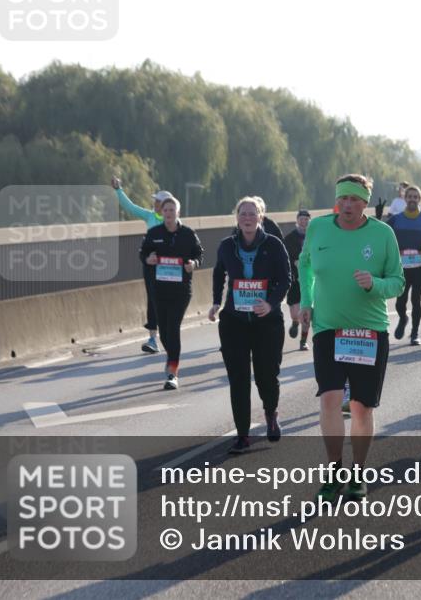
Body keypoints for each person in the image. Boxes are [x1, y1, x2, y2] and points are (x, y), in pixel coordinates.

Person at [299, 174, 405, 500]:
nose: (347, 205)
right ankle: (334, 472)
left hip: (368, 332)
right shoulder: (318, 228)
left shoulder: (382, 234)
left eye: (354, 200)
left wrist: (375, 284)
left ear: (365, 203)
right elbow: (304, 264)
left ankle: (358, 472)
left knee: (361, 408)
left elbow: (398, 282)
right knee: (330, 400)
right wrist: (306, 300)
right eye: (343, 198)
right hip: (328, 329)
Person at [210, 197, 291, 454]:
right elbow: (218, 273)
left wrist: (270, 303)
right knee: (238, 379)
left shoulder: (274, 244)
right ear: (237, 217)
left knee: (267, 375)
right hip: (234, 322)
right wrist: (216, 302)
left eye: (252, 213)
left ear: (261, 217)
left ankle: (271, 413)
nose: (247, 218)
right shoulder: (227, 246)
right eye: (243, 213)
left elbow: (285, 279)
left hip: (267, 322)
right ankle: (242, 435)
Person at [140, 196, 202, 390]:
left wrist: (194, 264)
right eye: (165, 210)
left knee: (173, 328)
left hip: (181, 290)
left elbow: (199, 254)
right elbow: (143, 253)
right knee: (165, 332)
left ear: (178, 213)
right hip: (159, 290)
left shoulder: (188, 234)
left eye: (172, 210)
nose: (168, 213)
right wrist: (148, 259)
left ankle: (172, 372)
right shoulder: (154, 233)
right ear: (161, 213)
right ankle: (172, 357)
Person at [111, 176, 172, 354]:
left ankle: (169, 334)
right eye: (155, 201)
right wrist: (118, 190)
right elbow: (131, 207)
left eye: (157, 201)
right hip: (151, 266)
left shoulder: (174, 222)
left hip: (169, 268)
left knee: (166, 301)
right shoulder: (149, 216)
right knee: (152, 300)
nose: (154, 203)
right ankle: (153, 339)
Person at [386, 185, 421, 346]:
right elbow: (383, 235)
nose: (412, 200)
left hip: (418, 266)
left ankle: (415, 333)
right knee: (400, 302)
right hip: (401, 267)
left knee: (416, 299)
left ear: (420, 199)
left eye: (416, 197)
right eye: (410, 197)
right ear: (405, 198)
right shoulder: (396, 219)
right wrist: (380, 217)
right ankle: (403, 318)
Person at [284, 209, 312, 350]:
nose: (304, 222)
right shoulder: (289, 238)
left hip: (309, 279)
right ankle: (295, 322)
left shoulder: (314, 236)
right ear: (297, 220)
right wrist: (294, 263)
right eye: (301, 219)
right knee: (295, 313)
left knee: (307, 311)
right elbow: (283, 257)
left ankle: (303, 341)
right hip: (295, 280)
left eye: (306, 219)